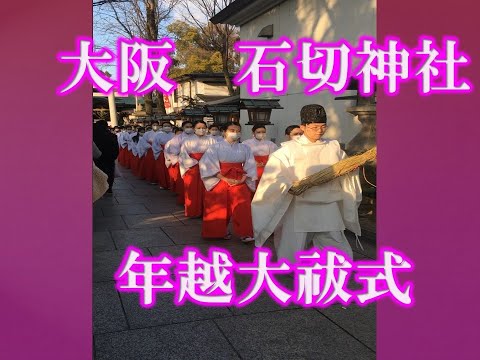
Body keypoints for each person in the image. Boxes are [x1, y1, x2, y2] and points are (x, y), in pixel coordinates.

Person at [252, 104, 362, 263]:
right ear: (303, 126)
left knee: (332, 236)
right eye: (314, 127)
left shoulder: (334, 147)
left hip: (328, 201)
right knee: (295, 241)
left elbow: (344, 167)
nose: (319, 130)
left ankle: (338, 264)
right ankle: (290, 265)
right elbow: (275, 173)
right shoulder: (287, 150)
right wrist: (289, 183)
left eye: (323, 126)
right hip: (301, 203)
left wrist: (351, 168)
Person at [199, 122, 257, 242]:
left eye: (237, 130)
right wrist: (224, 178)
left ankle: (245, 233)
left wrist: (243, 178)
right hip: (219, 178)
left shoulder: (245, 148)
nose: (235, 133)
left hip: (239, 178)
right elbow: (207, 164)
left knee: (243, 206)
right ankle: (215, 232)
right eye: (231, 130)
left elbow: (250, 165)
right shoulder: (215, 147)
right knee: (217, 206)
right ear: (224, 132)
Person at [179, 120, 216, 218]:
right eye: (199, 128)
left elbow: (216, 153)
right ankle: (193, 211)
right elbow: (183, 155)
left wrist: (206, 161)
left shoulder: (212, 140)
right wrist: (195, 162)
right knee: (192, 189)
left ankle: (207, 211)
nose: (201, 130)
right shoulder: (187, 140)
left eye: (203, 128)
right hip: (192, 168)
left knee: (207, 189)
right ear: (194, 129)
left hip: (208, 167)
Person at [164, 121, 195, 204]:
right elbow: (173, 151)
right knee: (183, 182)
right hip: (182, 161)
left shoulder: (196, 137)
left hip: (196, 162)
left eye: (191, 126)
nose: (189, 128)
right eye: (187, 126)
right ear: (183, 128)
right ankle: (184, 199)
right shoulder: (177, 138)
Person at [93, 120, 120, 194]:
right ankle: (109, 188)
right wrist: (113, 157)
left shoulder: (94, 136)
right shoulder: (112, 136)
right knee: (109, 173)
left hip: (97, 158)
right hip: (109, 158)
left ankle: (100, 188)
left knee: (98, 173)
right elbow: (116, 149)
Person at [152, 121, 174, 189]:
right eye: (165, 126)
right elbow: (155, 145)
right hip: (161, 153)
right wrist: (161, 149)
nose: (167, 127)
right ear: (162, 127)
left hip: (172, 153)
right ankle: (163, 183)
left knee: (171, 169)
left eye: (168, 126)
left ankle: (171, 184)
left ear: (171, 127)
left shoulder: (174, 135)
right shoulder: (158, 135)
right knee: (162, 169)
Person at [164, 127, 183, 195]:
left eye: (181, 133)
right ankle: (176, 190)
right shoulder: (170, 142)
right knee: (175, 177)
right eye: (178, 133)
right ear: (174, 134)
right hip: (174, 161)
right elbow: (167, 152)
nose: (179, 135)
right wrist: (172, 158)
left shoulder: (187, 141)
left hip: (183, 160)